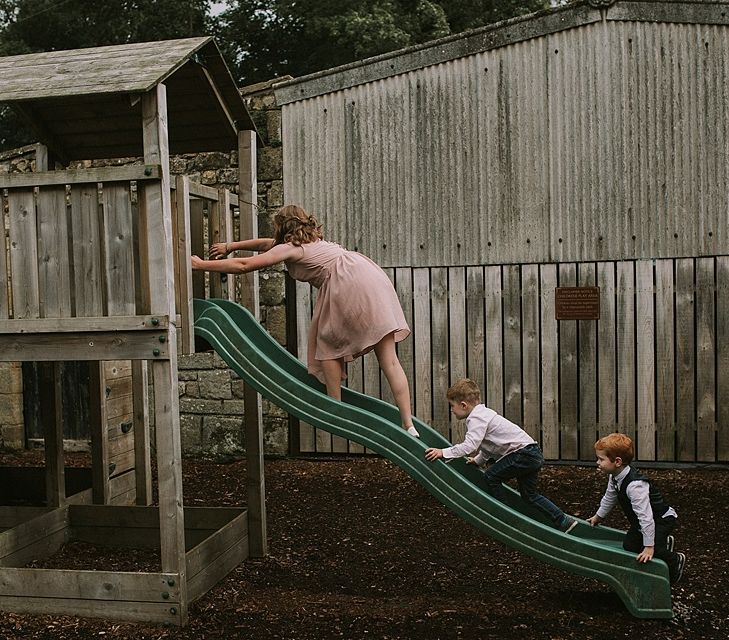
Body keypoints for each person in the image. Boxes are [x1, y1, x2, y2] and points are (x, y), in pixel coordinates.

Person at [191, 204, 419, 436]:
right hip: (371, 277)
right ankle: (408, 423)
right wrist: (231, 246)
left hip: (348, 285)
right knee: (390, 360)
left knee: (327, 342)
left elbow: (245, 265)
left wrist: (201, 265)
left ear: (281, 227)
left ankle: (335, 409)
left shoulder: (293, 249)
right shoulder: (314, 242)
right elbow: (263, 244)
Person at [424, 378, 577, 532]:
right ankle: (563, 520)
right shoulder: (484, 414)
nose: (452, 410)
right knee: (530, 495)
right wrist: (479, 460)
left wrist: (443, 452)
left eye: (452, 406)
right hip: (532, 453)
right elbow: (490, 445)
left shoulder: (475, 418)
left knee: (491, 476)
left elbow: (470, 445)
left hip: (522, 454)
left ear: (463, 405)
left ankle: (505, 517)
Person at [588, 433, 685, 583]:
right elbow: (609, 497)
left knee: (654, 551)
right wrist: (598, 516)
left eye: (601, 459)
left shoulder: (635, 486)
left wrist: (649, 546)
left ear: (617, 461)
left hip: (661, 519)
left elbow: (646, 517)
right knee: (630, 546)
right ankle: (663, 541)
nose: (597, 462)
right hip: (643, 523)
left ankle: (675, 560)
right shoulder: (614, 476)